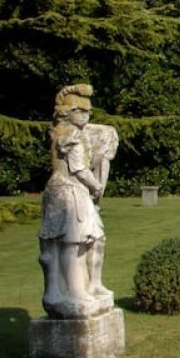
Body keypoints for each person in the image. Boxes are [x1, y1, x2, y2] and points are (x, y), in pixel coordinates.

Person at [39, 84, 118, 318]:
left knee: (91, 239)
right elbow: (79, 169)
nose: (86, 116)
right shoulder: (70, 135)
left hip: (66, 191)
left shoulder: (60, 131)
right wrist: (97, 185)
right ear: (68, 112)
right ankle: (74, 290)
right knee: (73, 243)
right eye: (81, 112)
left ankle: (87, 286)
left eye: (88, 112)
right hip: (71, 190)